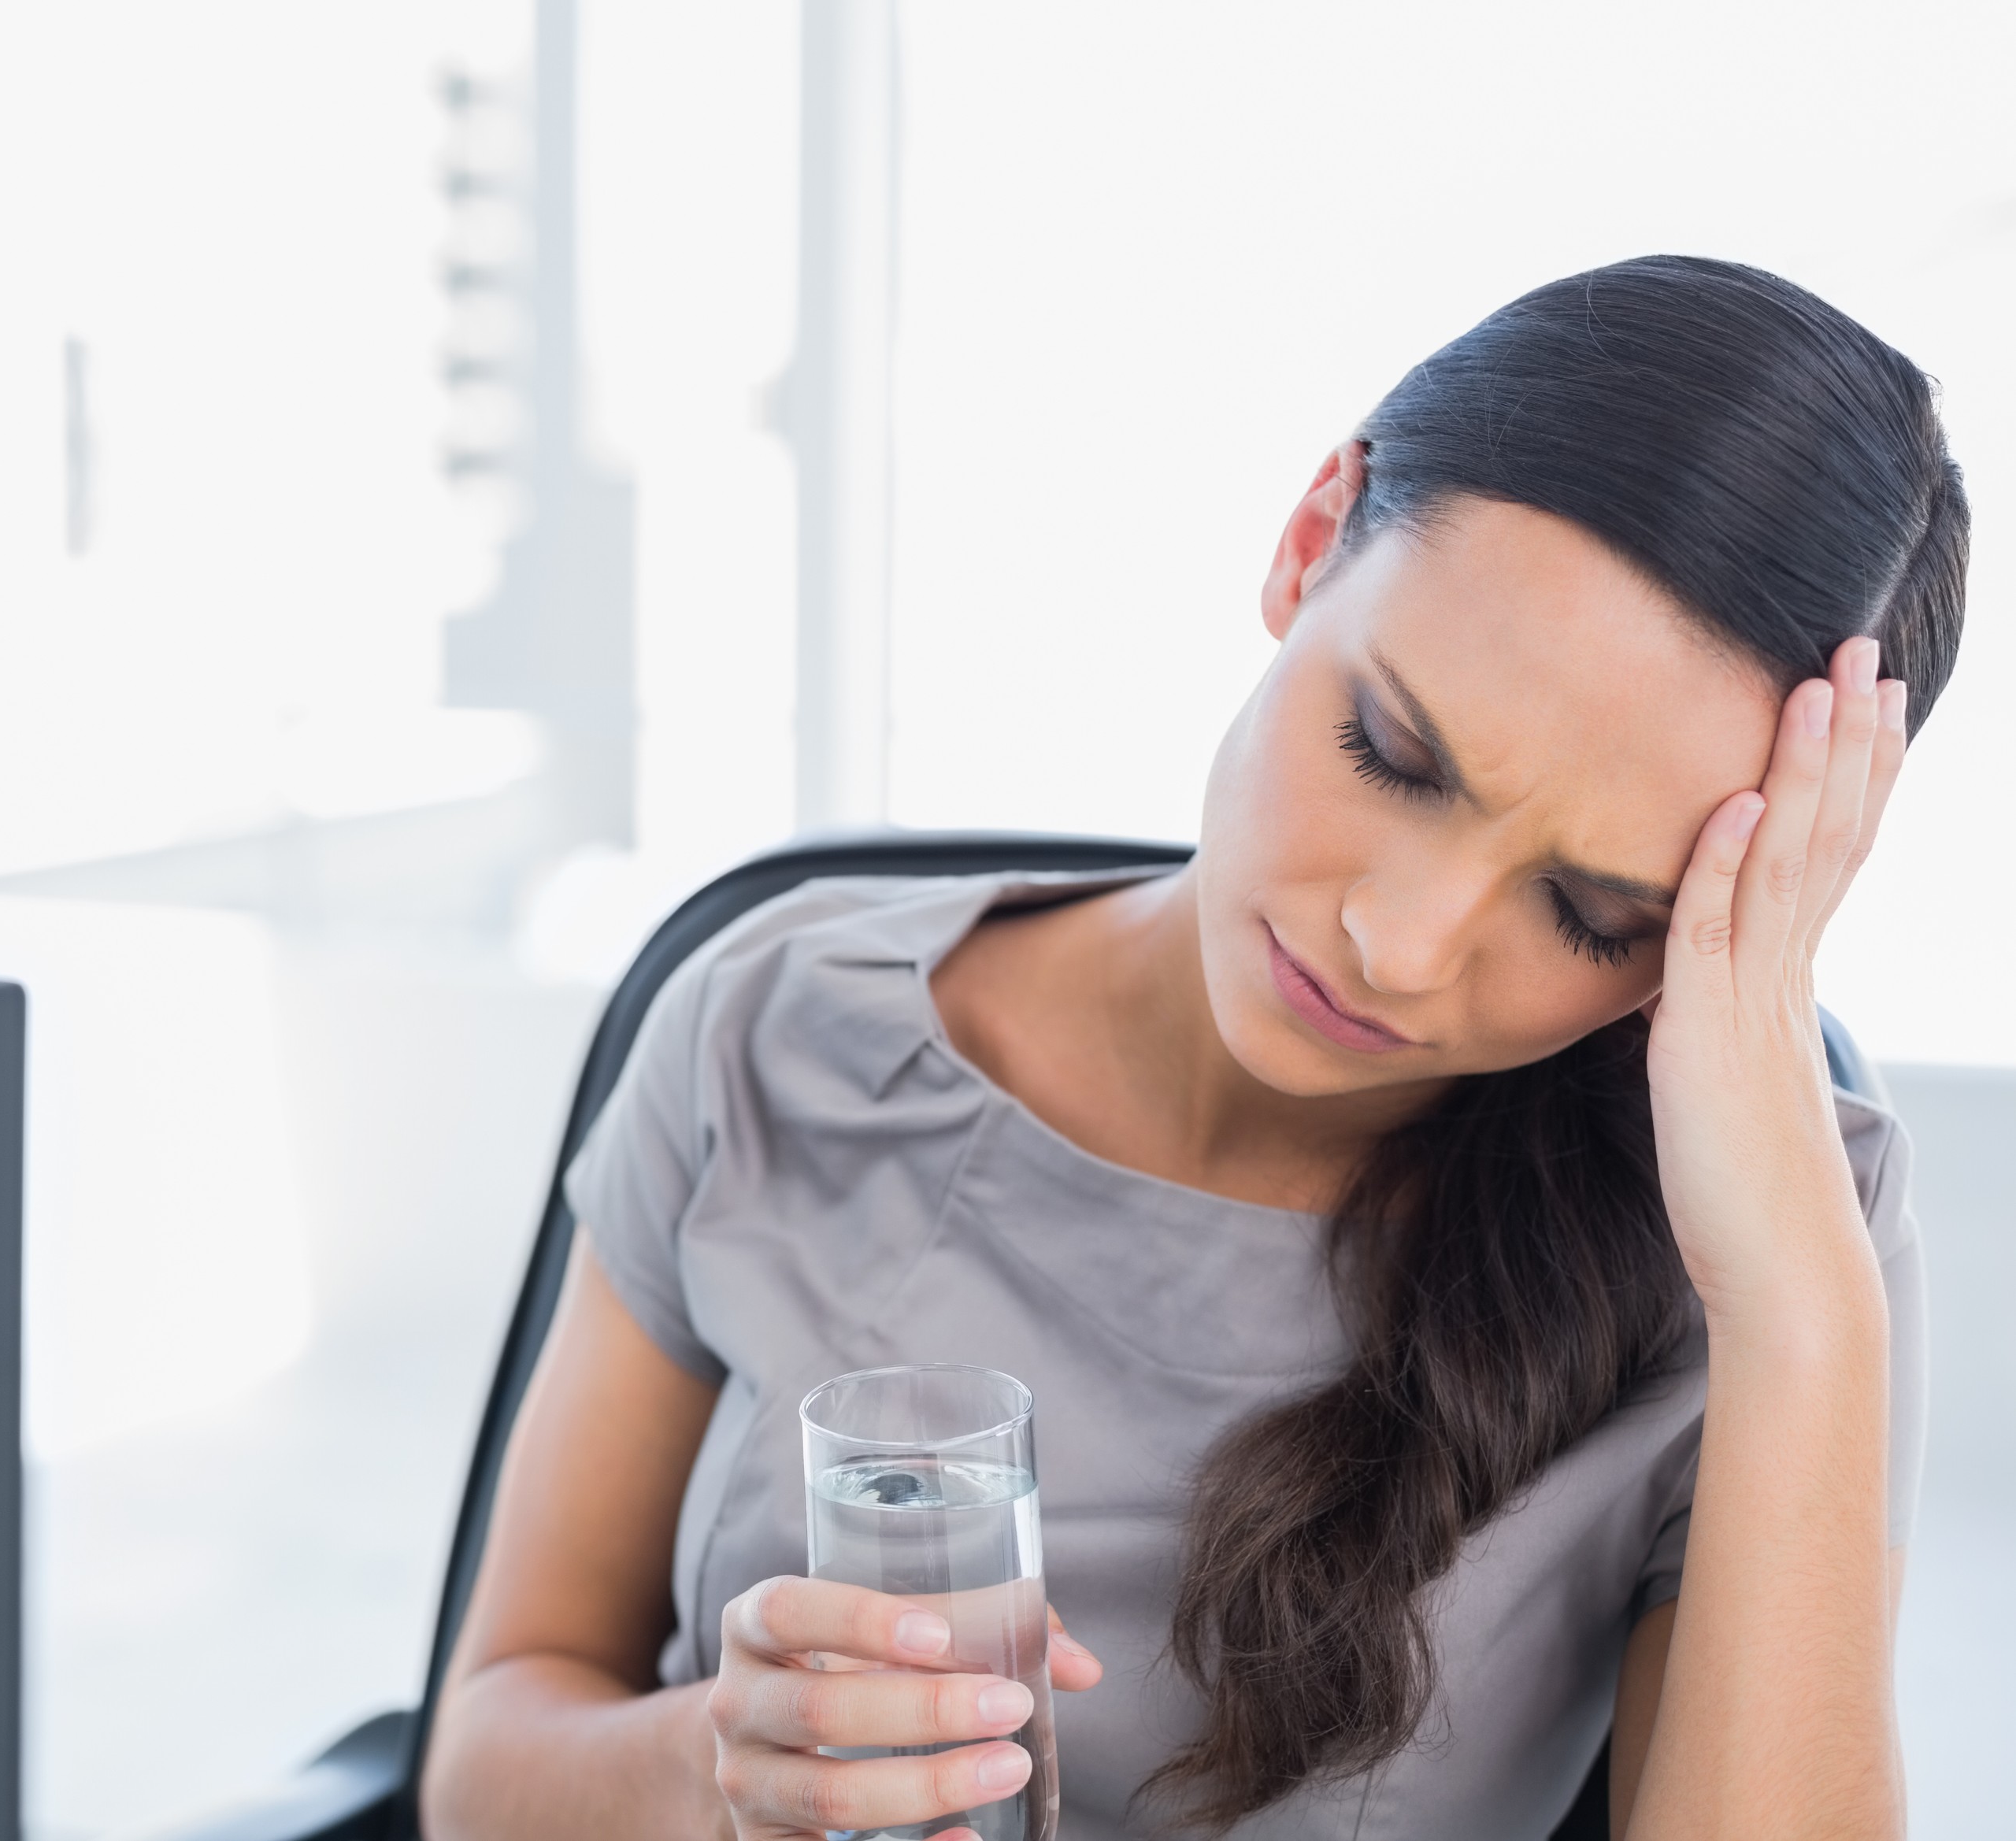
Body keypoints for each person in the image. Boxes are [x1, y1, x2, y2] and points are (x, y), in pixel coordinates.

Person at [418, 256, 1966, 1840]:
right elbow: (479, 1764)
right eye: (1392, 752)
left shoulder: (1777, 1252)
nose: (1401, 942)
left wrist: (1790, 1311)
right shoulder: (782, 1026)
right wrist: (715, 1765)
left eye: (1587, 910)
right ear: (1308, 542)